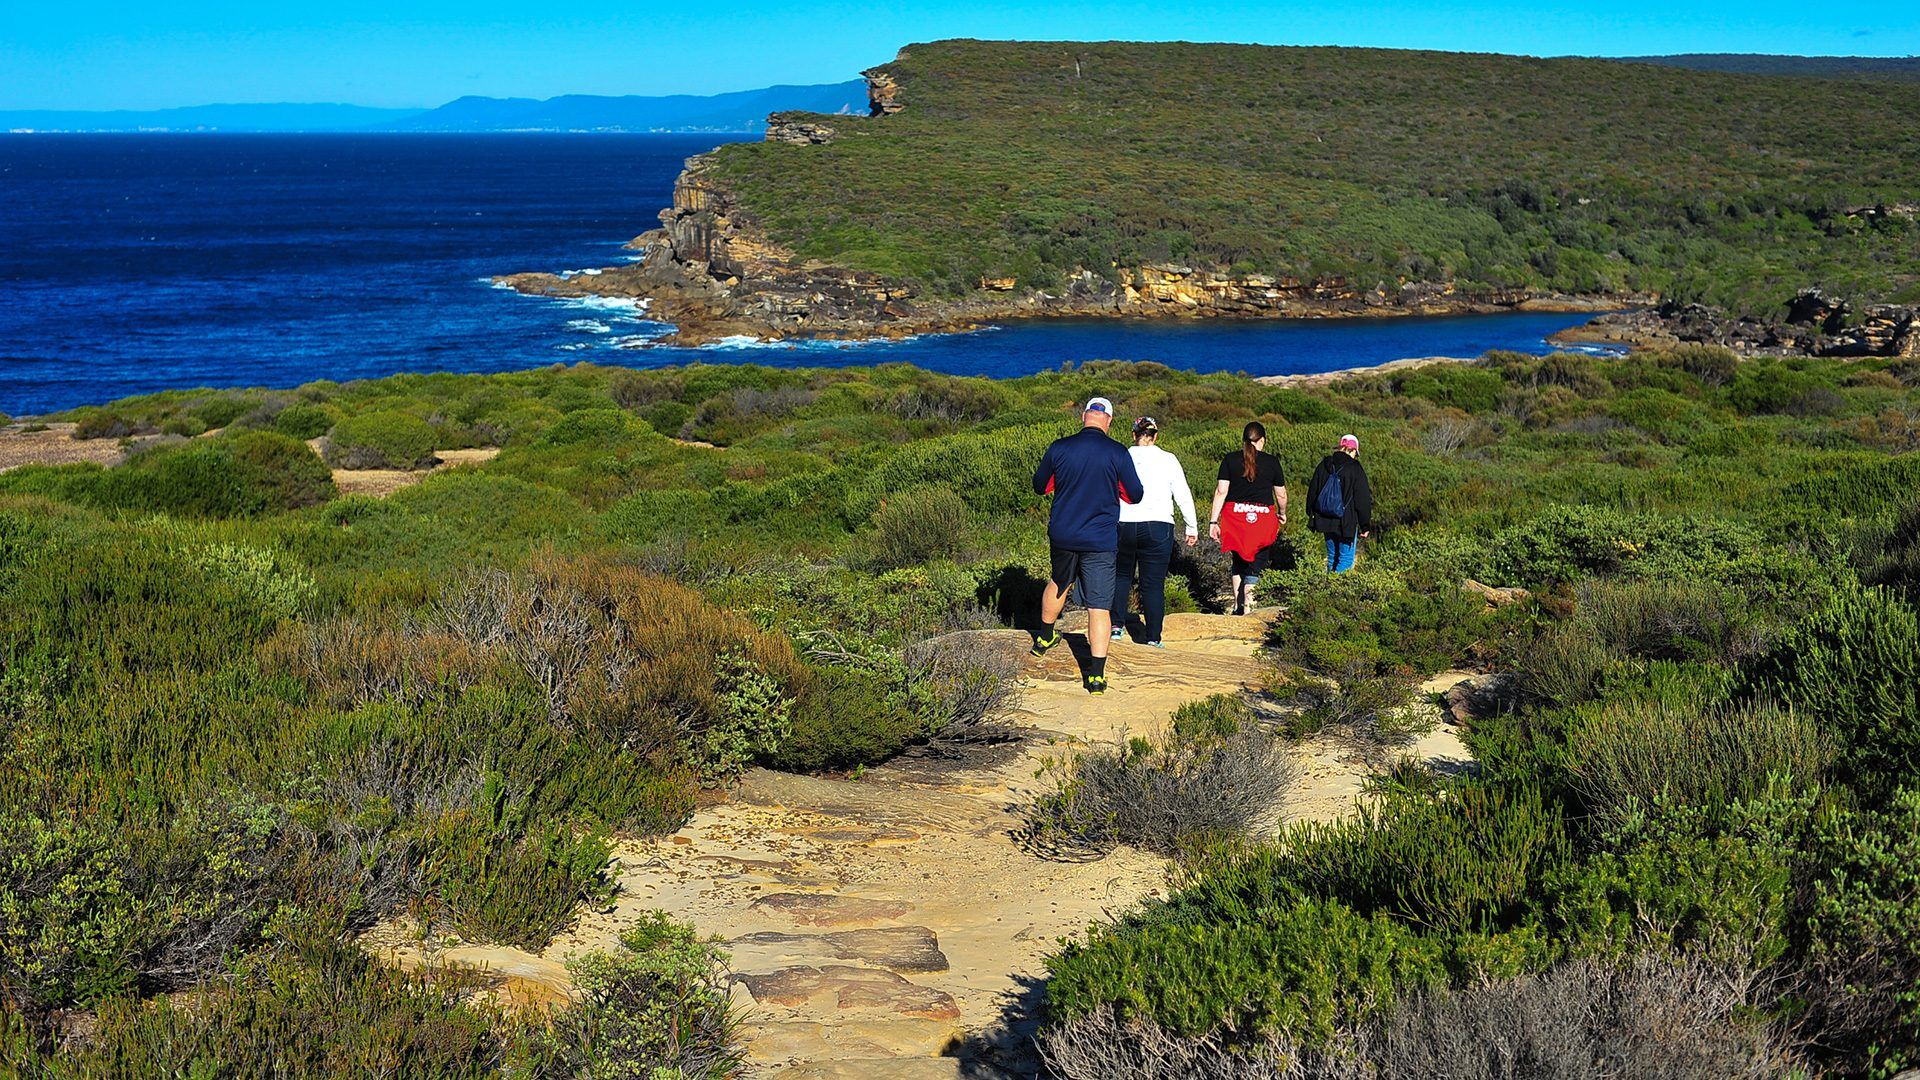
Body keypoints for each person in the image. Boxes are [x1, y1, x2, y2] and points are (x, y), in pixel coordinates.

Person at [1031, 396, 1145, 694]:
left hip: (1064, 534)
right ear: (1108, 420)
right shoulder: (1117, 453)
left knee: (1059, 581)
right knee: (1098, 605)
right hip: (1099, 539)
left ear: (1084, 417)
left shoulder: (1059, 448)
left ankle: (1044, 637)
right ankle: (1095, 675)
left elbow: (1040, 486)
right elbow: (1135, 495)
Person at [1110, 416, 1199, 648]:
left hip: (1123, 523)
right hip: (1159, 526)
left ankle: (1116, 627)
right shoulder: (1168, 459)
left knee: (1121, 577)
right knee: (1153, 584)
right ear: (1156, 435)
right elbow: (1183, 493)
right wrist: (1191, 526)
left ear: (1134, 435)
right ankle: (1152, 637)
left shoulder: (1122, 456)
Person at [1208, 421, 1287, 616]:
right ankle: (1249, 610)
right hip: (1262, 518)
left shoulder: (1230, 459)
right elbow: (1281, 495)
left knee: (1238, 559)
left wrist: (1213, 521)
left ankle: (1237, 605)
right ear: (1262, 441)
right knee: (1256, 562)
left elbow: (1221, 492)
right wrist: (1282, 513)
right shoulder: (1272, 462)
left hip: (1234, 517)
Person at [1307, 433, 1374, 573]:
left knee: (1332, 558)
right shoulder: (1355, 468)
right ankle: (1335, 593)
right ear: (1353, 450)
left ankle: (1327, 589)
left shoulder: (1324, 465)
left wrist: (1311, 515)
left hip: (1324, 519)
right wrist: (1365, 525)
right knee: (1345, 560)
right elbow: (1363, 499)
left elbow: (1313, 491)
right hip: (1346, 523)